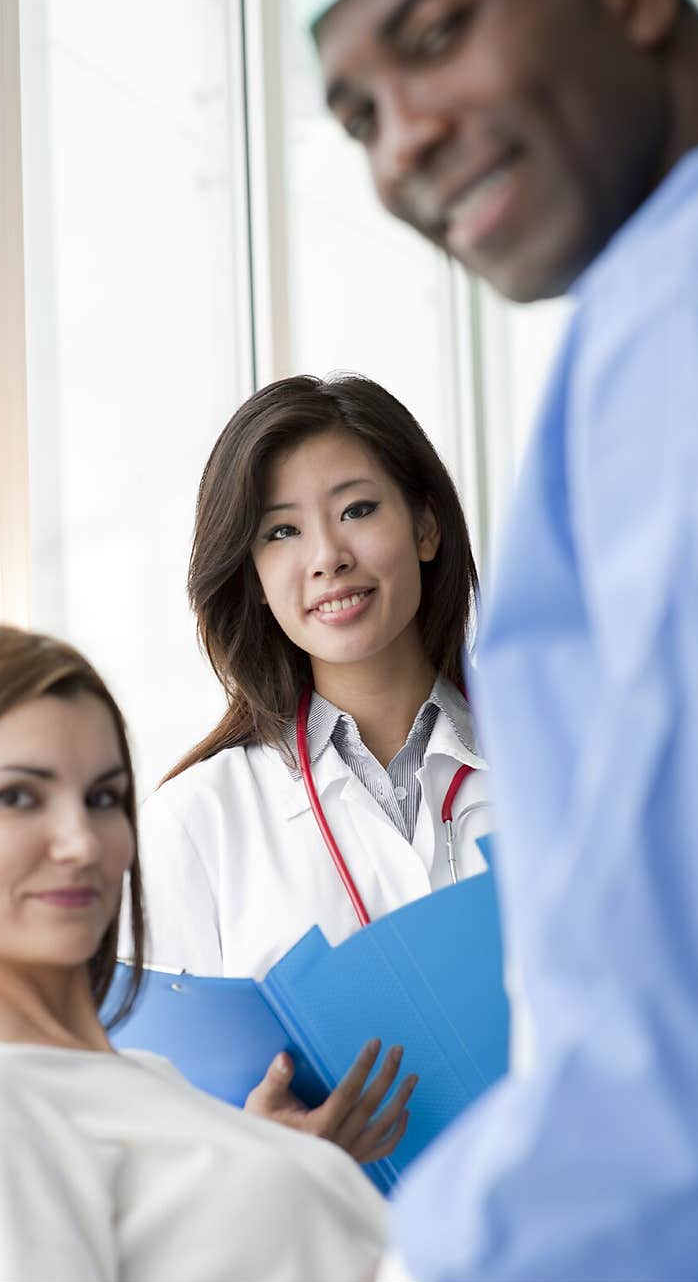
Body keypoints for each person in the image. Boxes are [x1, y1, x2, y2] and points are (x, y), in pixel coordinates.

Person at [289, 0, 698, 1281]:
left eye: (435, 36)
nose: (405, 140)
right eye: (361, 117)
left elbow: (697, 1045)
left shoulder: (679, 317)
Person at [0, 623, 388, 1282]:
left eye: (103, 798)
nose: (82, 842)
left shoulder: (140, 1080)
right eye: (16, 797)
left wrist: (268, 1165)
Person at [135, 372, 500, 1124]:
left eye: (358, 510)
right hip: (328, 1232)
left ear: (426, 527)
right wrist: (258, 1147)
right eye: (281, 531)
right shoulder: (197, 822)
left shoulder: (555, 768)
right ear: (255, 577)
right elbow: (157, 1127)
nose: (328, 556)